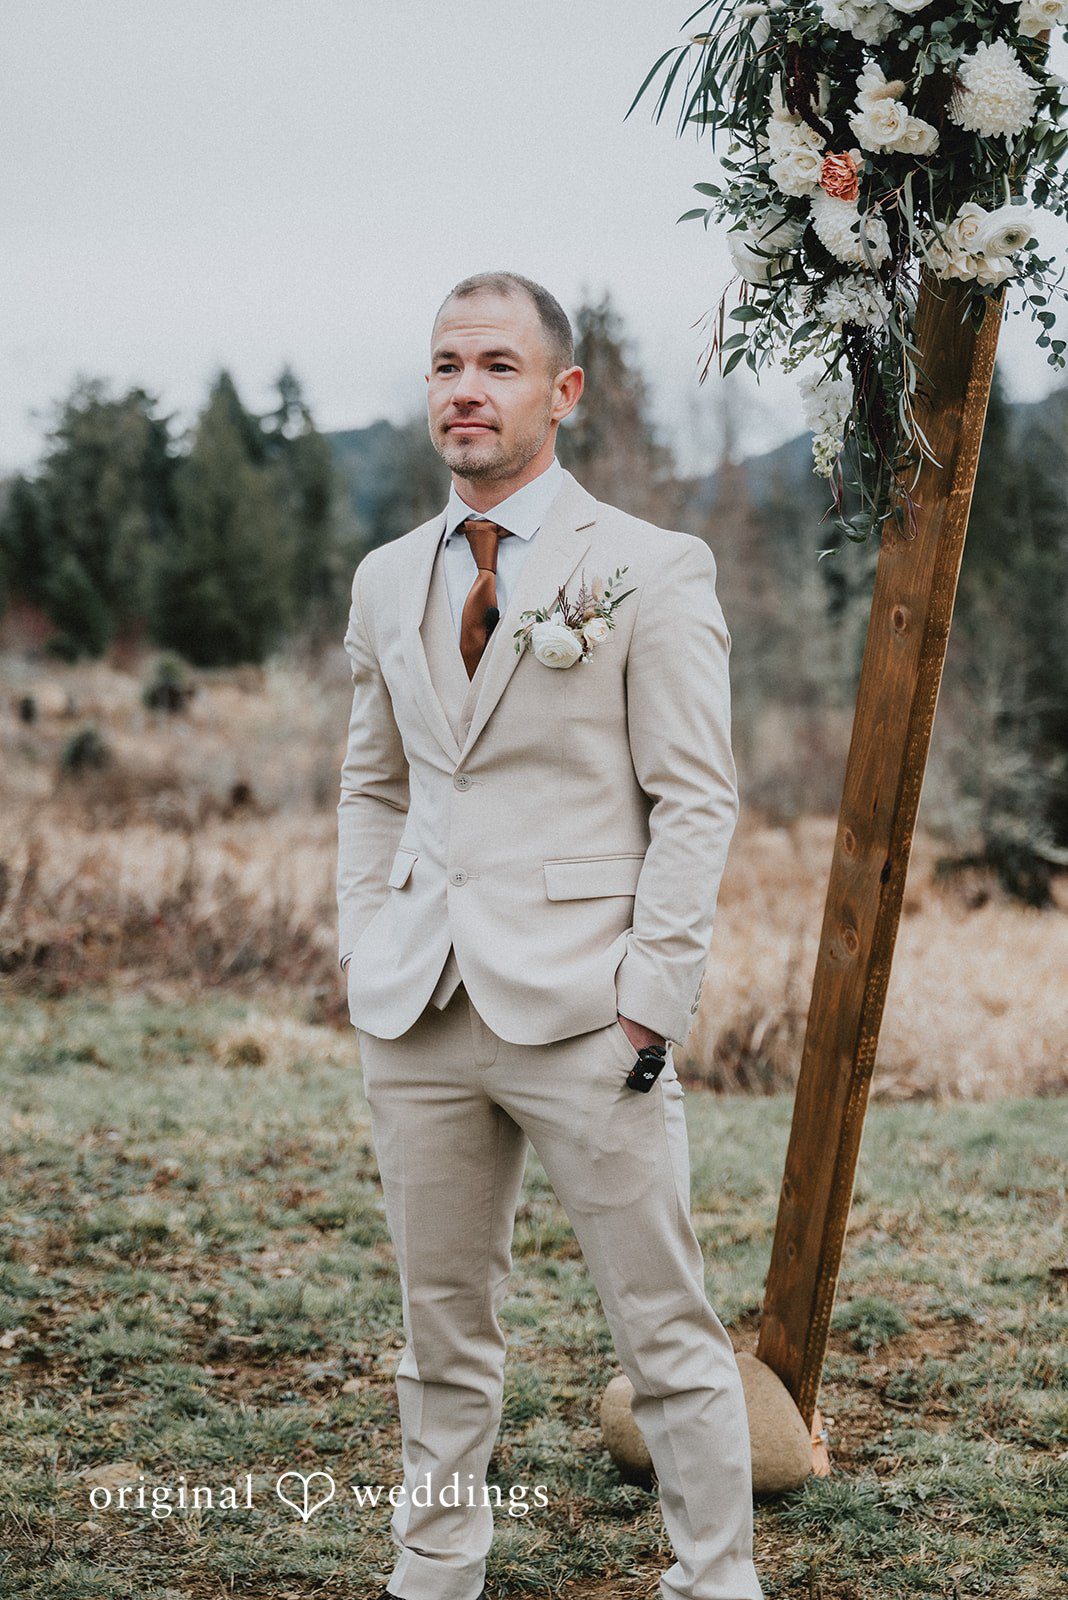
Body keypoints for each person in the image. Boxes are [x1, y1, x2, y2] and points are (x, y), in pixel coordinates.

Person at [337, 270, 763, 1600]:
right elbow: (374, 781)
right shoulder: (386, 576)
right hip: (417, 1007)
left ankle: (715, 1578)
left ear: (561, 393)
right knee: (439, 1336)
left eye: (500, 365)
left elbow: (696, 797)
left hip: (591, 1014)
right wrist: (362, 941)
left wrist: (652, 1000)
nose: (467, 387)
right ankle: (435, 1573)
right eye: (448, 363)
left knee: (668, 1332)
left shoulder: (646, 565)